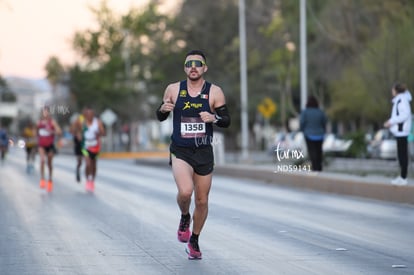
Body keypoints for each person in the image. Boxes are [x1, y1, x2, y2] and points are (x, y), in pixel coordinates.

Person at [156, 50, 231, 259]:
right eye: (189, 64)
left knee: (202, 201)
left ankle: (195, 240)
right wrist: (163, 109)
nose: (194, 67)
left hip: (204, 151)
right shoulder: (173, 89)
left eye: (198, 63)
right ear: (185, 68)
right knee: (186, 192)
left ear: (204, 68)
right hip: (181, 150)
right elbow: (160, 116)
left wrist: (214, 118)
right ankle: (184, 216)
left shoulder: (214, 92)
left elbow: (226, 120)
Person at [384, 83, 412, 185]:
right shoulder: (399, 100)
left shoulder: (402, 100)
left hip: (402, 131)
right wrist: (390, 121)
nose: (392, 92)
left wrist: (391, 122)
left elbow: (405, 114)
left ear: (396, 90)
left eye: (393, 90)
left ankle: (403, 178)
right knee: (401, 155)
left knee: (402, 155)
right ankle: (402, 177)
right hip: (400, 131)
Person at [73, 106, 105, 192]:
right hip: (85, 145)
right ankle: (88, 179)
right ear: (86, 115)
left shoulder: (97, 122)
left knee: (94, 164)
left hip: (95, 145)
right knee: (88, 163)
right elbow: (75, 130)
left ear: (93, 115)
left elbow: (103, 132)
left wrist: (98, 132)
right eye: (88, 114)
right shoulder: (82, 122)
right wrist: (78, 135)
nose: (89, 116)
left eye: (91, 114)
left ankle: (92, 180)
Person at [37, 106, 62, 192]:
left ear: (49, 113)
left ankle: (50, 179)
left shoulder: (52, 122)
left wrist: (52, 131)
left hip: (50, 145)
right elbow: (35, 132)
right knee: (42, 160)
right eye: (44, 112)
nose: (45, 114)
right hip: (41, 145)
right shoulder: (39, 122)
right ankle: (42, 179)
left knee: (49, 163)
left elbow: (59, 132)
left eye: (47, 112)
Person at [300, 95, 327, 172]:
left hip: (309, 134)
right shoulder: (320, 112)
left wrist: (302, 130)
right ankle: (319, 166)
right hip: (320, 134)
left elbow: (302, 123)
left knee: (312, 151)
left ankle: (314, 166)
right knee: (319, 151)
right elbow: (324, 122)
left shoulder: (305, 112)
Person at [70, 109, 86, 182]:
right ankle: (78, 170)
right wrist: (77, 133)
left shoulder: (89, 121)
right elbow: (72, 130)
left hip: (86, 143)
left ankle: (88, 177)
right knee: (79, 161)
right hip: (79, 144)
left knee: (88, 160)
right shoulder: (78, 120)